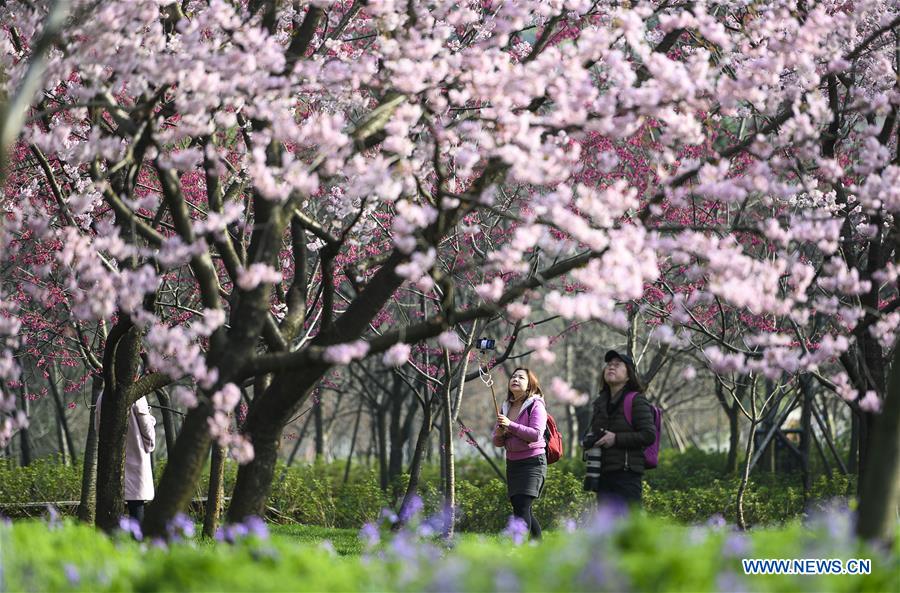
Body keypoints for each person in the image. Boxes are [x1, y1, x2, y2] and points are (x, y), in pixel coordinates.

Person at [584, 350, 656, 507]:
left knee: (630, 522)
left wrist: (616, 439)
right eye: (609, 365)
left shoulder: (636, 400)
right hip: (602, 475)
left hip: (627, 475)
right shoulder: (600, 403)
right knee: (607, 523)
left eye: (617, 365)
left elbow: (649, 435)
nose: (611, 367)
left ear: (629, 375)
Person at [492, 367, 547, 540]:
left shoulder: (536, 405)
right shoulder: (506, 407)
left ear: (530, 384)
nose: (515, 379)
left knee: (522, 506)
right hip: (513, 463)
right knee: (520, 507)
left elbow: (536, 434)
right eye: (513, 376)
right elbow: (497, 442)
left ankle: (518, 548)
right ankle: (537, 546)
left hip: (532, 462)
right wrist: (499, 434)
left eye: (521, 377)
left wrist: (510, 425)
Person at [95, 395, 156, 521]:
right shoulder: (137, 396)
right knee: (136, 502)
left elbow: (98, 429)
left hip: (111, 458)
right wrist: (151, 421)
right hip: (136, 456)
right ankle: (136, 533)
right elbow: (147, 431)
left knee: (113, 506)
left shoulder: (102, 397)